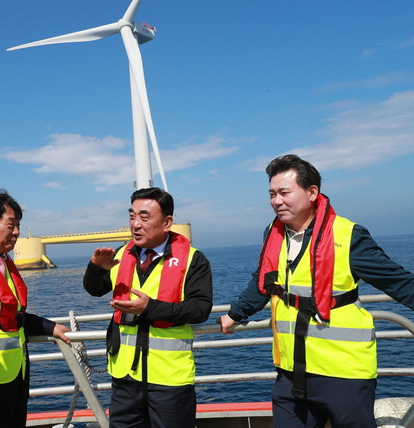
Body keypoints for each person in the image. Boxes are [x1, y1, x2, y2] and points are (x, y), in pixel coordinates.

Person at [217, 154, 414, 428]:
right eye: (272, 193)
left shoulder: (348, 236)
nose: (276, 201)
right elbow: (264, 281)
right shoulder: (273, 234)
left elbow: (399, 282)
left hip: (344, 373)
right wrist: (235, 314)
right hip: (291, 373)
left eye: (284, 192)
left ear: (312, 192)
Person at [83, 187, 213, 428]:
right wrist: (96, 269)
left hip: (169, 379)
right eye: (132, 216)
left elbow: (200, 309)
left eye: (144, 217)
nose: (135, 224)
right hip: (125, 378)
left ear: (167, 222)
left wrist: (149, 308)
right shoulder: (121, 255)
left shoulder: (194, 260)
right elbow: (94, 289)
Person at [0, 188, 70, 428]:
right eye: (11, 225)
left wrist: (49, 327)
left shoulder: (3, 263)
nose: (17, 232)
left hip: (16, 374)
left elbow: (10, 315)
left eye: (19, 225)